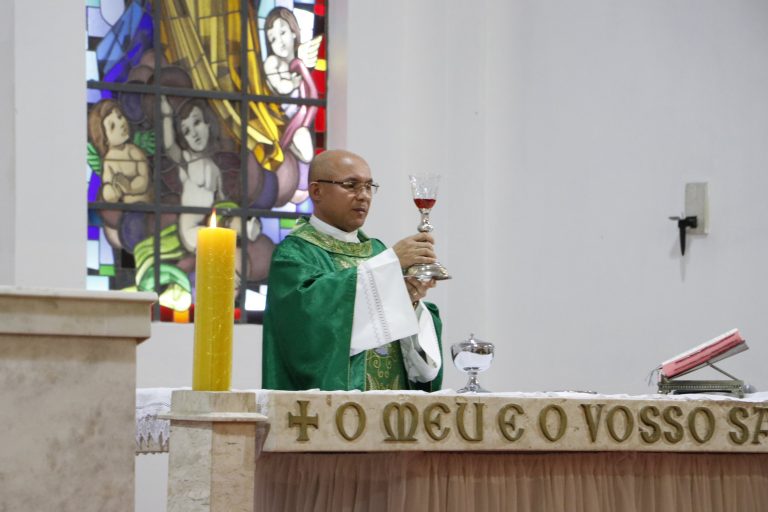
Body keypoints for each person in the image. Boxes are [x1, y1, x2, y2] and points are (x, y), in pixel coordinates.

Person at [262, 150, 444, 391]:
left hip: (395, 412)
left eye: (369, 187)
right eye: (351, 185)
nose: (363, 196)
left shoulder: (376, 251)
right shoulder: (295, 254)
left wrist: (410, 299)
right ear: (316, 191)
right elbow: (309, 326)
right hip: (333, 415)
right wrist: (390, 263)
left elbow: (412, 352)